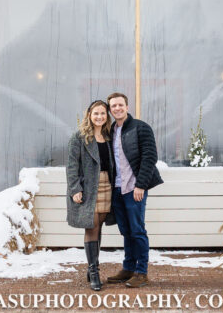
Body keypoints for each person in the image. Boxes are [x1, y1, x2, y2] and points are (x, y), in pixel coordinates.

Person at [103, 92, 163, 288]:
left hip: (134, 188)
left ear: (127, 107)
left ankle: (142, 272)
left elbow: (150, 157)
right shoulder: (111, 130)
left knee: (137, 231)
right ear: (110, 110)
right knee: (126, 231)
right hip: (118, 189)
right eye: (113, 106)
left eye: (120, 105)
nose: (117, 108)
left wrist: (141, 185)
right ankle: (128, 268)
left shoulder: (141, 128)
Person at [66, 100, 116, 291]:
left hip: (107, 185)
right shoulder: (79, 137)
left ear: (106, 116)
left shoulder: (108, 136)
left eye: (103, 113)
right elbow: (72, 165)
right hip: (88, 187)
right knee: (91, 226)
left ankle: (91, 265)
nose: (99, 117)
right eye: (96, 113)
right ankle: (94, 271)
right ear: (89, 115)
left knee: (100, 224)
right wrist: (75, 189)